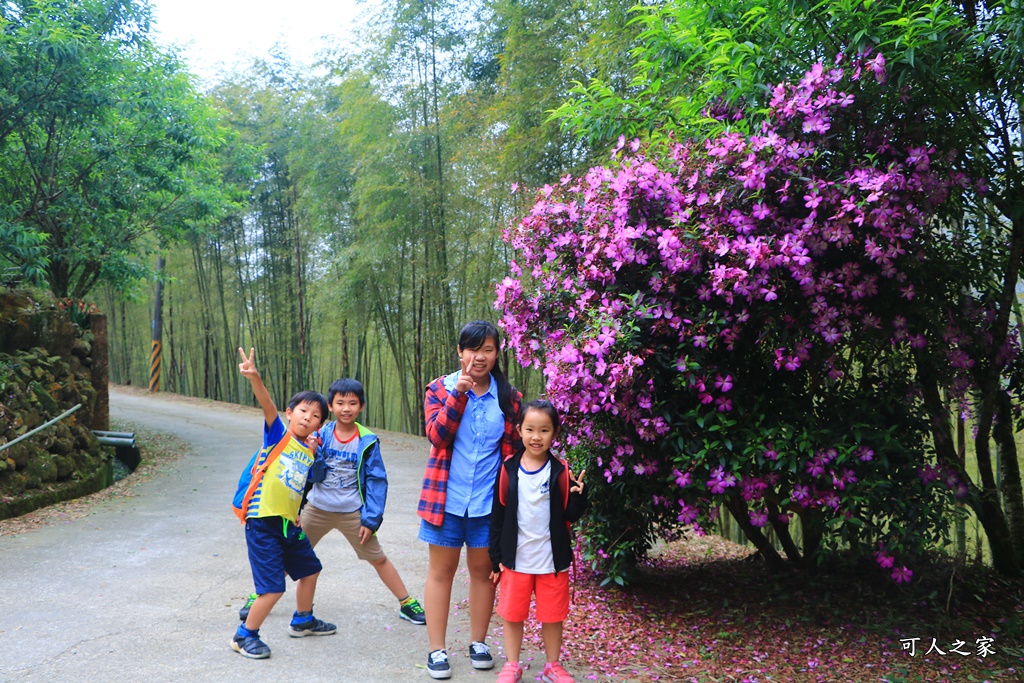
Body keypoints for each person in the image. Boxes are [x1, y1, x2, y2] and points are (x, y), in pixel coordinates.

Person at [418, 320, 522, 679]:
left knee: (482, 574)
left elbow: (515, 454)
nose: (480, 357)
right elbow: (437, 437)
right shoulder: (438, 389)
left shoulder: (510, 397)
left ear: (497, 353)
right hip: (446, 499)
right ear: (460, 351)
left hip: (487, 503)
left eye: (488, 349)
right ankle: (436, 649)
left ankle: (478, 641)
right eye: (473, 349)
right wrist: (458, 394)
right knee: (442, 572)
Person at [229, 347, 337, 659]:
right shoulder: (277, 435)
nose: (309, 417)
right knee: (273, 588)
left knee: (310, 570)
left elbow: (297, 488)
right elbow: (267, 405)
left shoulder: (308, 451)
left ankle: (303, 619)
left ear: (319, 426)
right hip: (262, 522)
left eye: (316, 416)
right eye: (304, 411)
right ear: (291, 413)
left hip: (288, 524)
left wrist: (298, 514)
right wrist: (255, 378)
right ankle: (244, 635)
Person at [297, 377, 426, 625]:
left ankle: (406, 602)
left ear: (362, 407)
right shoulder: (319, 434)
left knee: (377, 558)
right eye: (340, 403)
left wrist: (371, 519)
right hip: (317, 509)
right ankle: (259, 595)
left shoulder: (367, 440)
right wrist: (313, 452)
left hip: (352, 513)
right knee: (292, 552)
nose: (347, 408)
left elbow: (377, 481)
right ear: (330, 406)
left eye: (353, 403)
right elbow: (312, 475)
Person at [489, 400, 587, 683]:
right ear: (519, 430)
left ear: (554, 433)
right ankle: (512, 664)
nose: (536, 436)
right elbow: (498, 516)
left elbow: (569, 514)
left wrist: (580, 497)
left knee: (553, 615)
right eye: (530, 429)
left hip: (551, 560)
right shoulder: (508, 469)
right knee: (512, 614)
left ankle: (552, 666)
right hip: (515, 559)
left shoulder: (560, 470)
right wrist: (495, 557)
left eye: (544, 430)